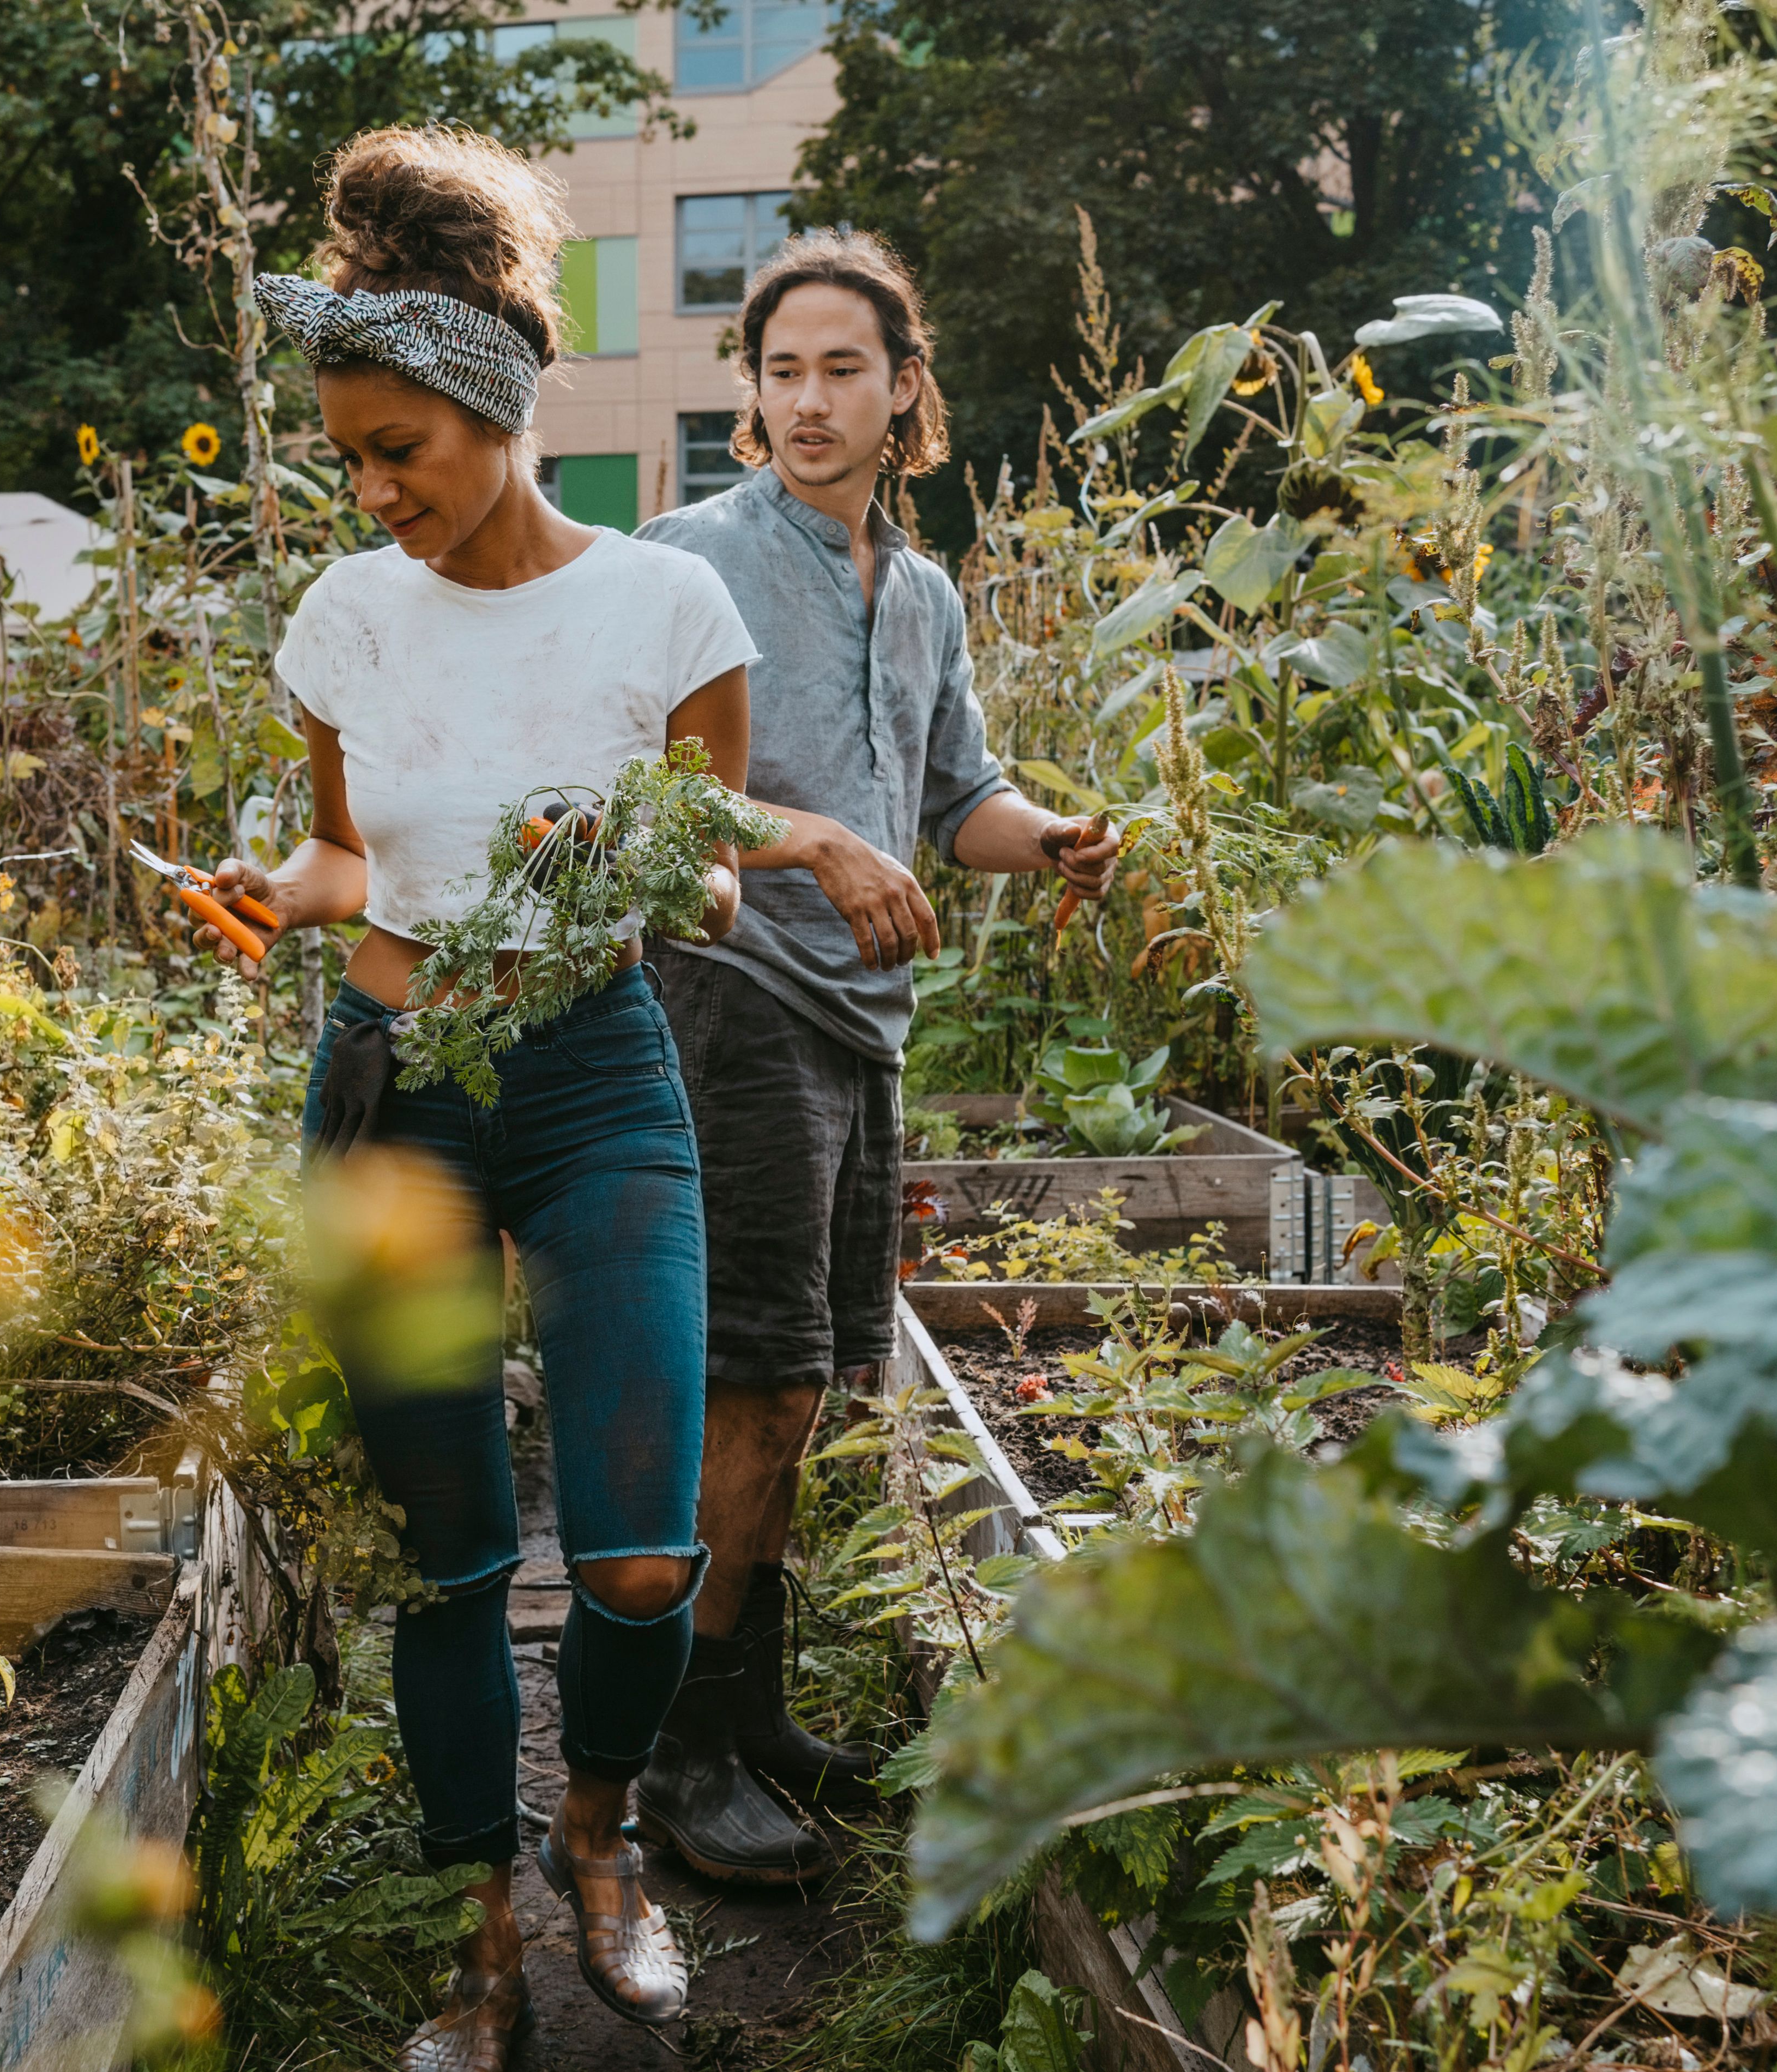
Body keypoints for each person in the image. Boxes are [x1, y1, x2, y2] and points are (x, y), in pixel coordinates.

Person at [186, 129, 762, 2072]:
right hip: (391, 1091)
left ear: (498, 417)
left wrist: (620, 858)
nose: (372, 491)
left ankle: (599, 1836)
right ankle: (480, 1936)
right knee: (445, 1551)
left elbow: (710, 880)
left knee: (636, 1554)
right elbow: (352, 859)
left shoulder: (668, 611)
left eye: (399, 452)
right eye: (347, 459)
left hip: (595, 1075)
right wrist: (277, 889)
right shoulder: (347, 616)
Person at [633, 229, 1120, 1884]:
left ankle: (749, 1713)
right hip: (732, 998)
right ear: (753, 393)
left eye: (843, 370)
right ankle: (677, 1756)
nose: (809, 402)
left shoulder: (919, 593)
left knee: (804, 1379)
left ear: (905, 388)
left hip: (858, 1024)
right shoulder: (690, 557)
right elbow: (641, 787)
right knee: (752, 1377)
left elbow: (952, 798)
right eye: (782, 372)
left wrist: (1047, 838)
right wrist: (818, 845)